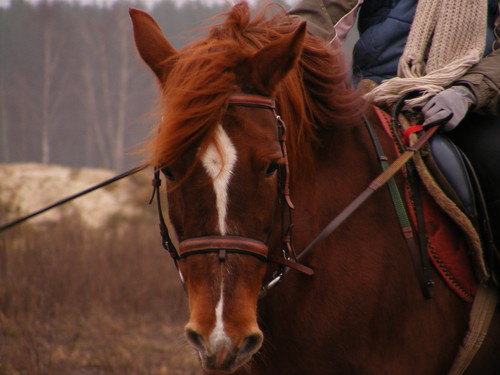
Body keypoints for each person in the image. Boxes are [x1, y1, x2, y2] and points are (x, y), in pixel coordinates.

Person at [289, 0, 500, 271]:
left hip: (467, 100)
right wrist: (277, 55)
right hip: (374, 96)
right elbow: (317, 15)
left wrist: (469, 92)